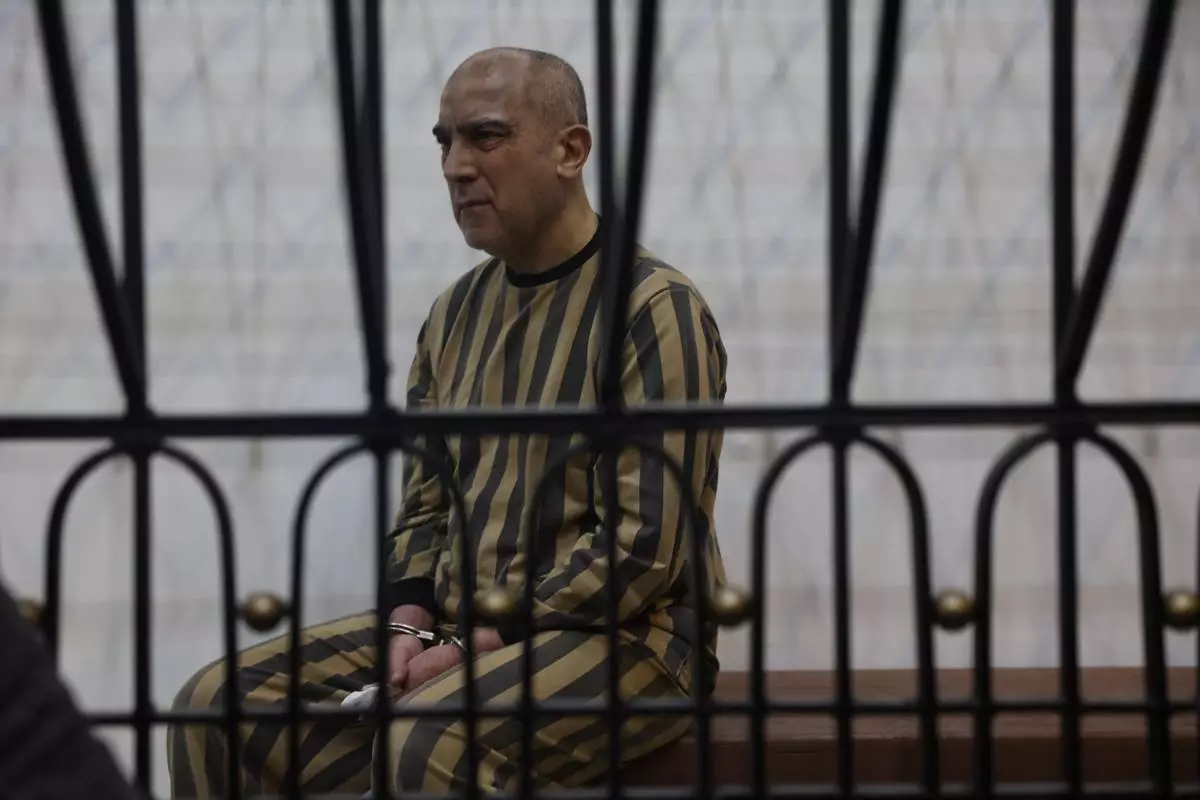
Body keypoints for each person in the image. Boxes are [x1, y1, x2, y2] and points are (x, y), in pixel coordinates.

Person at [168, 46, 729, 798]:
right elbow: (426, 505)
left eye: (485, 137)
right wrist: (408, 627)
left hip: (634, 640)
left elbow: (642, 553)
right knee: (217, 710)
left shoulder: (654, 309)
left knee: (426, 741)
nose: (456, 167)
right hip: (467, 627)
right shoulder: (455, 313)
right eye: (445, 142)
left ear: (571, 151)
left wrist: (475, 644)